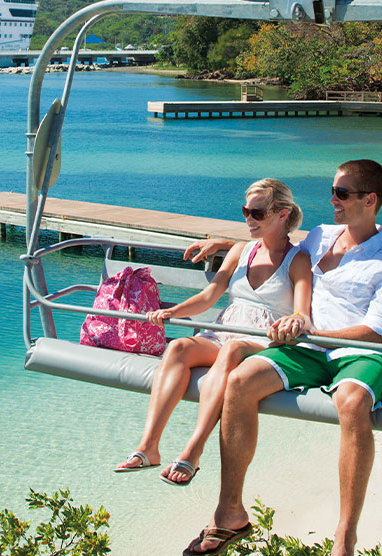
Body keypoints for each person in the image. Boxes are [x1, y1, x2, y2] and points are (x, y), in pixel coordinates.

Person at [180, 159, 382, 556]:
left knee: (351, 401)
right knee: (241, 380)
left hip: (363, 354)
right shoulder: (322, 235)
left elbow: (377, 331)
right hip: (308, 350)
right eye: (333, 191)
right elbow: (279, 245)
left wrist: (308, 329)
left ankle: (344, 540)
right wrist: (224, 244)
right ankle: (230, 513)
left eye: (342, 193)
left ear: (370, 200)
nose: (332, 200)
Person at [115, 178, 312, 487]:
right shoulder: (240, 252)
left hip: (265, 344)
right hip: (225, 333)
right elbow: (209, 296)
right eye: (245, 211)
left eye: (257, 213)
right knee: (179, 347)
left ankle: (194, 449)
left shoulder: (297, 260)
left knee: (233, 352)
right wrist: (172, 312)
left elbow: (303, 311)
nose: (248, 219)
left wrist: (297, 321)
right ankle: (148, 446)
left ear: (282, 215)